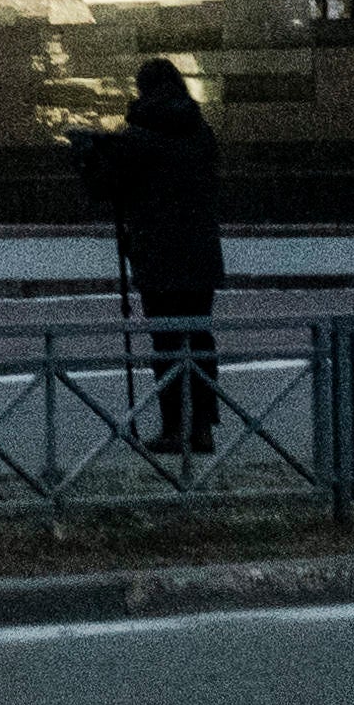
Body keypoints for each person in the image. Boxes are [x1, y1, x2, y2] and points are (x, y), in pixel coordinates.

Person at [88, 56, 230, 458]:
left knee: (166, 339)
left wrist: (90, 156)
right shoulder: (201, 132)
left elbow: (105, 188)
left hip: (158, 254)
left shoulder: (138, 137)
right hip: (200, 253)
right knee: (199, 336)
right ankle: (202, 426)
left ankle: (173, 427)